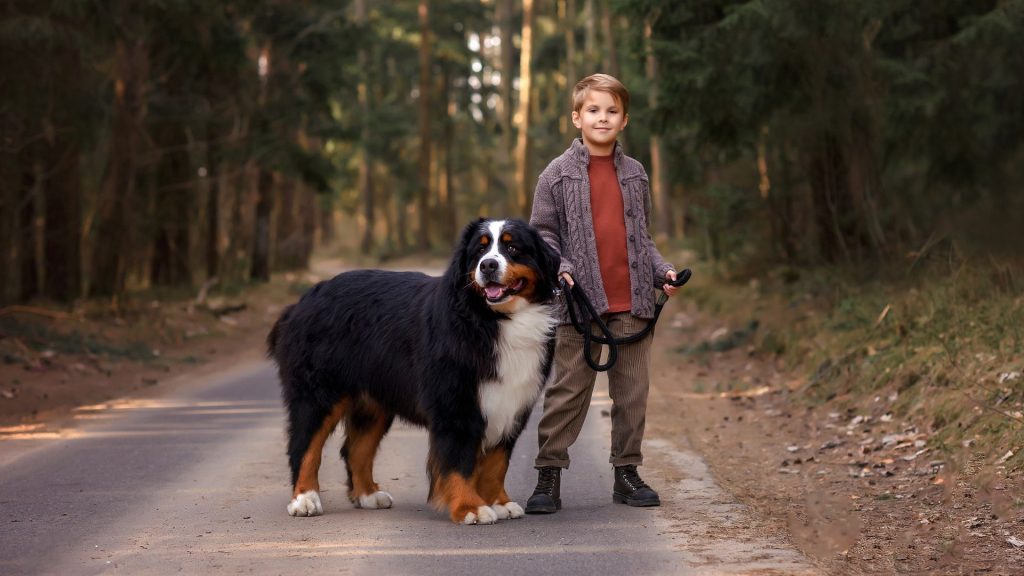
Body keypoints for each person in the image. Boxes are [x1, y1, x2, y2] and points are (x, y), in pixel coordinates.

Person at [526, 73, 679, 513]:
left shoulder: (635, 173)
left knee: (632, 393)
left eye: (611, 111)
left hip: (633, 302)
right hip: (578, 305)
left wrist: (661, 271)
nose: (602, 118)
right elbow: (543, 235)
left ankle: (626, 473)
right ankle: (548, 475)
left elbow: (641, 238)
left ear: (624, 119)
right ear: (577, 116)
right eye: (593, 110)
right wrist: (563, 269)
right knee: (567, 392)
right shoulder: (555, 174)